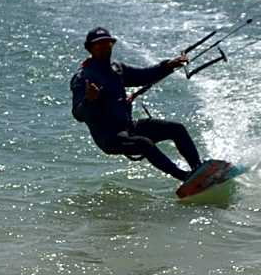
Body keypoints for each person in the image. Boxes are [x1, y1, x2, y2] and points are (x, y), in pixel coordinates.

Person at [70, 27, 204, 181]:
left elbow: (144, 76)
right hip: (109, 137)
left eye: (107, 43)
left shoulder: (117, 69)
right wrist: (89, 99)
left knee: (176, 129)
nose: (104, 47)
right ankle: (185, 177)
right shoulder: (83, 77)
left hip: (129, 128)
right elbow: (78, 114)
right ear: (90, 48)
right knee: (143, 143)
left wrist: (168, 65)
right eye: (99, 44)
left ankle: (198, 169)